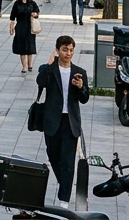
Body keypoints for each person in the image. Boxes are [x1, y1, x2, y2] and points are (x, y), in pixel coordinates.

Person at [37, 36, 90, 208]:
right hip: (52, 121)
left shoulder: (79, 72)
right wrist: (50, 65)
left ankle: (64, 199)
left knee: (68, 161)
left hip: (71, 122)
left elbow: (85, 99)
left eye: (71, 50)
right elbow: (40, 82)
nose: (68, 53)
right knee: (53, 156)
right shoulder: (49, 69)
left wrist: (81, 87)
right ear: (58, 50)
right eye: (65, 49)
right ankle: (65, 184)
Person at [9, 0, 40, 73]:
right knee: (21, 47)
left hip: (30, 27)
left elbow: (37, 12)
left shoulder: (32, 3)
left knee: (30, 46)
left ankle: (30, 64)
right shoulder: (16, 4)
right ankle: (24, 66)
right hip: (20, 27)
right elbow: (12, 17)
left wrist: (35, 14)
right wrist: (11, 28)